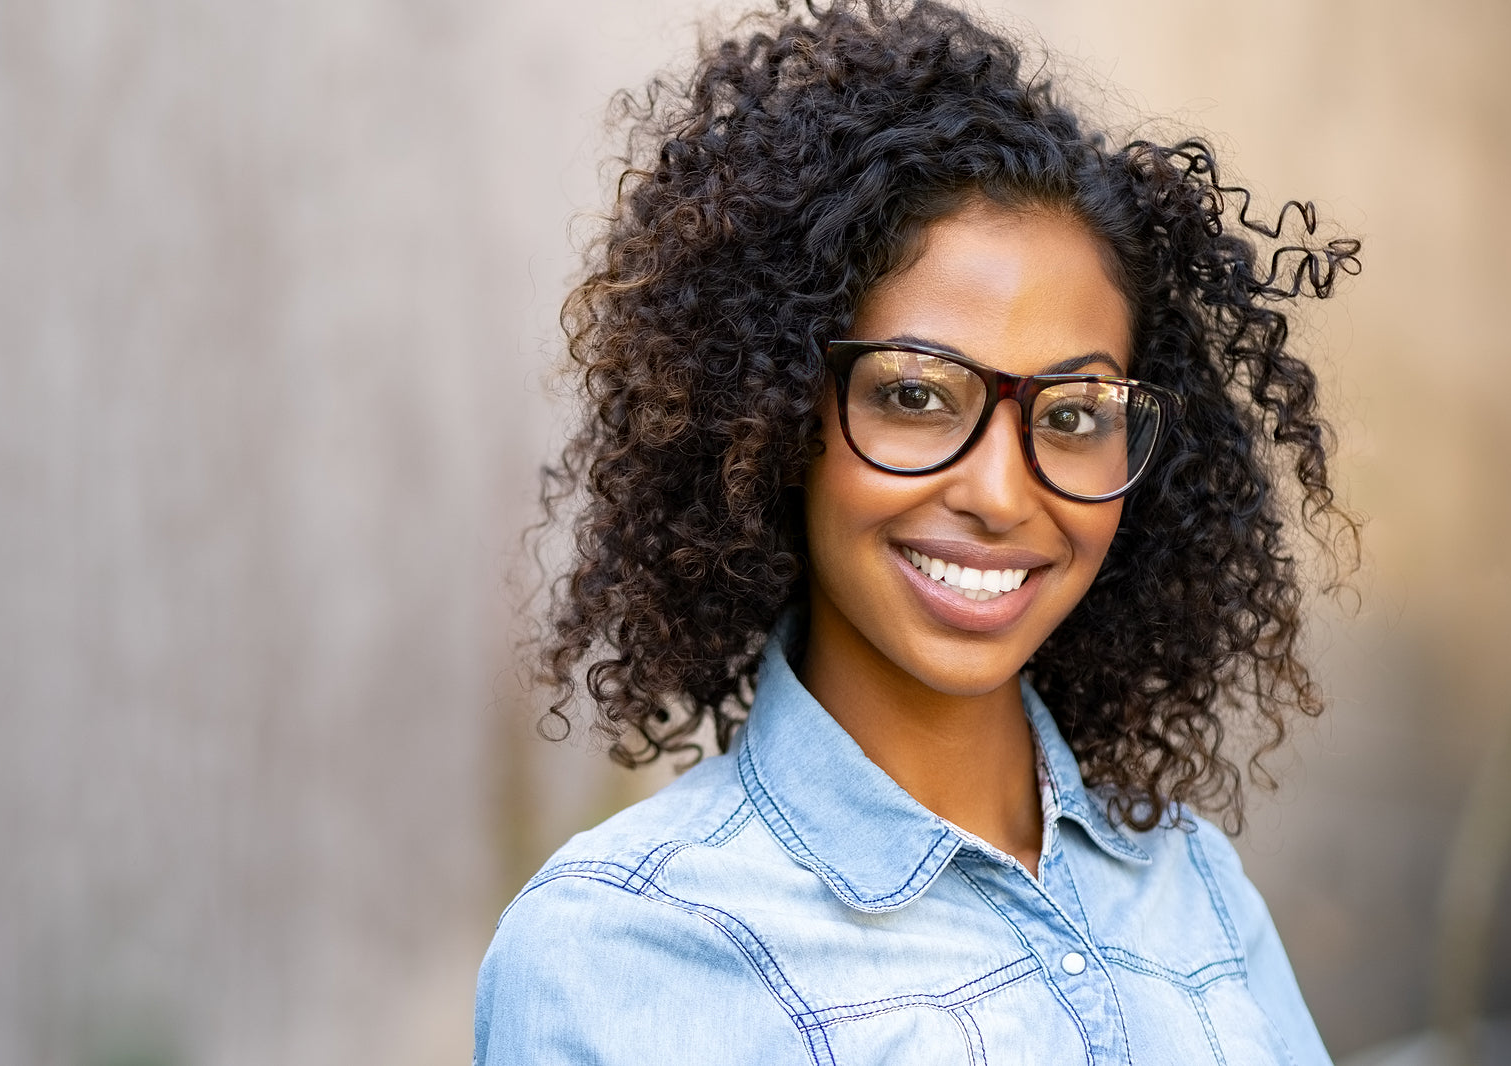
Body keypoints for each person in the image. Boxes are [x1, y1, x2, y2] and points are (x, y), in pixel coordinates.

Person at [476, 1, 1360, 1061]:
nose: (999, 491)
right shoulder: (622, 951)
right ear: (772, 418)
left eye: (1074, 416)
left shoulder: (1188, 879)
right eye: (913, 396)